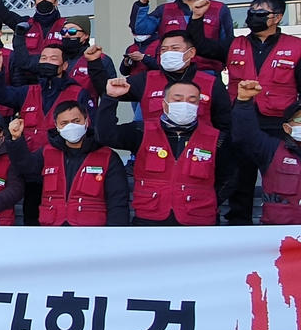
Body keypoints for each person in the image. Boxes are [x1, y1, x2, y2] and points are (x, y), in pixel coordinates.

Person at [187, 0, 301, 225]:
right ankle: (240, 224)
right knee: (240, 177)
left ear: (277, 18)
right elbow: (202, 46)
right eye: (251, 12)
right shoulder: (234, 43)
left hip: (280, 123)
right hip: (241, 121)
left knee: (284, 175)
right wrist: (197, 17)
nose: (253, 17)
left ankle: (282, 223)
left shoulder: (296, 46)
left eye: (261, 13)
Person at [96, 78, 230, 226]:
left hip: (199, 220)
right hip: (149, 219)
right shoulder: (141, 131)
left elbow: (229, 178)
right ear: (164, 104)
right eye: (177, 99)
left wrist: (206, 199)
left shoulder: (217, 138)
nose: (185, 105)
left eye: (192, 101)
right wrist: (110, 98)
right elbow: (106, 135)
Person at [0, 44, 89, 226]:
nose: (47, 62)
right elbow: (0, 95)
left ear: (64, 65)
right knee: (31, 217)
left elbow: (89, 129)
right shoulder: (29, 90)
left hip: (62, 167)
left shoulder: (78, 93)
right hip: (30, 167)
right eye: (43, 58)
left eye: (53, 58)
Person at [7, 101, 129, 226]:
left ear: (86, 121)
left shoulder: (107, 156)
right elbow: (25, 167)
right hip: (53, 229)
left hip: (91, 232)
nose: (71, 126)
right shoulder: (47, 153)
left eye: (76, 121)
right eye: (64, 123)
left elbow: (117, 200)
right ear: (57, 126)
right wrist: (16, 139)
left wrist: (115, 235)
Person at [89, 31, 231, 130]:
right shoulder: (146, 80)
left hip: (198, 158)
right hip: (154, 158)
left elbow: (225, 125)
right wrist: (94, 62)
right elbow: (107, 89)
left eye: (175, 48)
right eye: (164, 49)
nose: (168, 53)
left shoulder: (211, 83)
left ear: (191, 52)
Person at [130, 0, 232, 75]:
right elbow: (139, 29)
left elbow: (227, 45)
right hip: (171, 72)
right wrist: (143, 1)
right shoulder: (165, 10)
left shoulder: (219, 9)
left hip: (207, 72)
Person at [232, 81, 301, 224]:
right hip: (277, 237)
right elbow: (245, 136)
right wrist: (244, 102)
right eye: (300, 119)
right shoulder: (272, 149)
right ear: (287, 128)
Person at [55, 16, 115, 103]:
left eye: (72, 31)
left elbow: (109, 95)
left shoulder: (102, 59)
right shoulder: (56, 57)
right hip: (56, 112)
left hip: (87, 113)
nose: (67, 34)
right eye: (63, 31)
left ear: (85, 35)